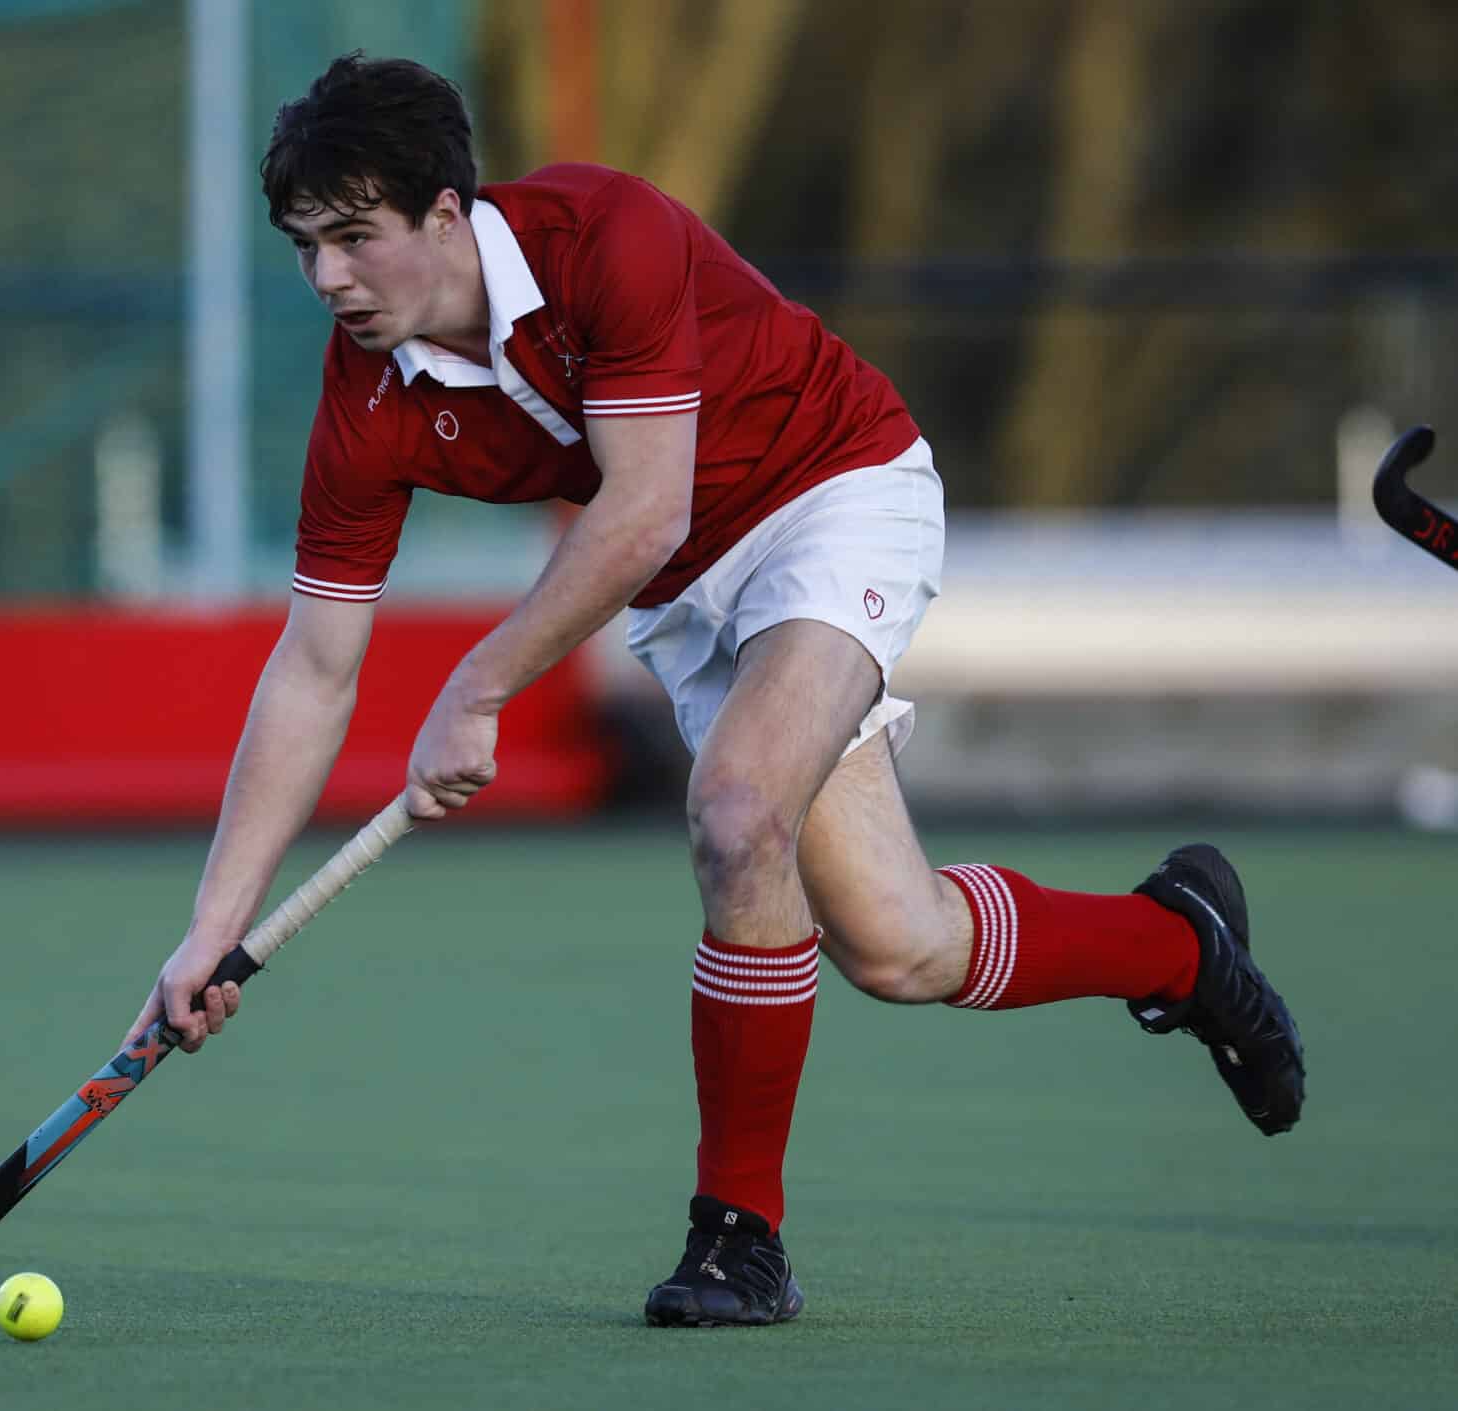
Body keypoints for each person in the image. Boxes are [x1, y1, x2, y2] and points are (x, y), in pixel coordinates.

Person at [126, 53, 1305, 1328]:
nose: (329, 280)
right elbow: (314, 664)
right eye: (307, 247)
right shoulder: (364, 396)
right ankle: (1181, 944)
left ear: (449, 214)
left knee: (737, 812)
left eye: (356, 238)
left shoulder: (603, 236)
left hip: (831, 493)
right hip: (688, 594)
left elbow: (642, 506)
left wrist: (480, 683)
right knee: (899, 944)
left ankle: (739, 1241)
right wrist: (212, 928)